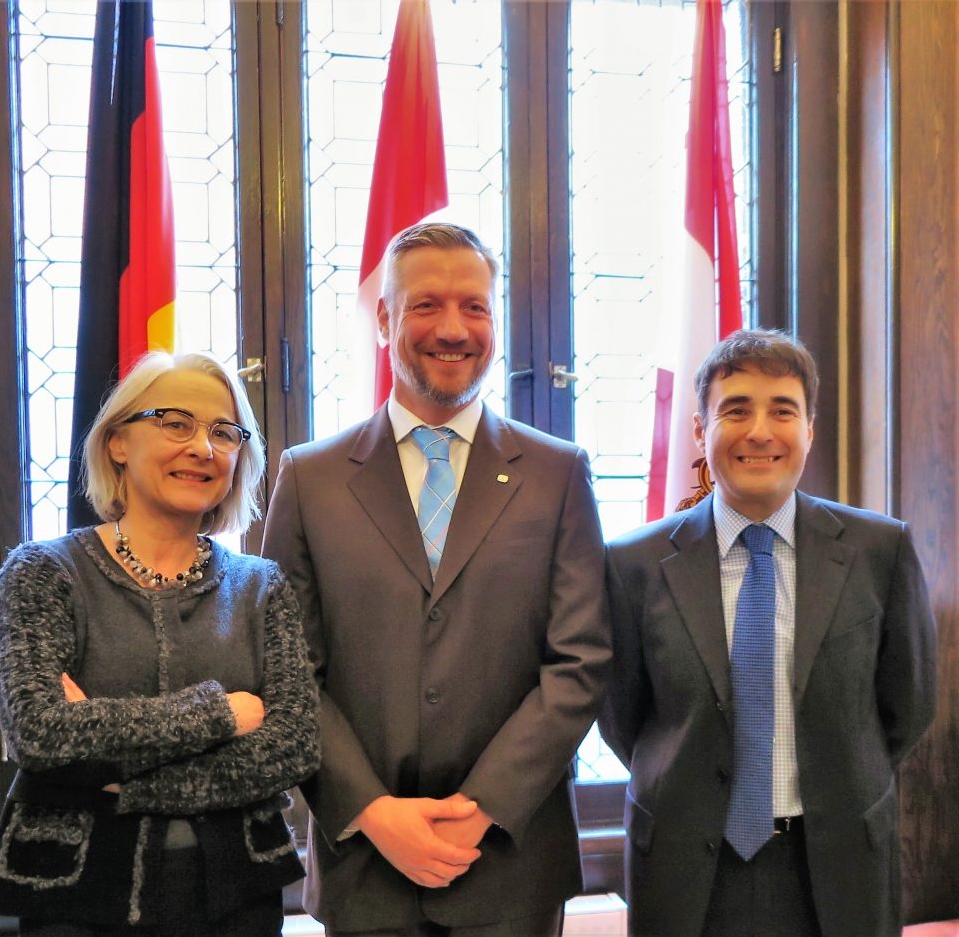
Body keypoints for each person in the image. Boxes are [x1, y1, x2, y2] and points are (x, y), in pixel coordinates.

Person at [262, 221, 611, 936]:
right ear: (386, 318)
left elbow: (581, 663)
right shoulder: (310, 479)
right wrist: (371, 812)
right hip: (366, 866)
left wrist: (480, 809)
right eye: (426, 305)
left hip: (512, 865)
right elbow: (288, 673)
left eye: (475, 306)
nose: (453, 328)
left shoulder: (559, 474)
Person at [600, 329, 937, 937]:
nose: (759, 431)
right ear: (701, 431)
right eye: (735, 410)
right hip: (685, 868)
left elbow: (905, 708)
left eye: (783, 410)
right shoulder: (632, 564)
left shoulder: (879, 550)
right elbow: (626, 718)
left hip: (837, 862)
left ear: (810, 428)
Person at [0, 351, 320, 937]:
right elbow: (41, 733)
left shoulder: (261, 585)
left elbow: (292, 746)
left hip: (239, 897)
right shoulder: (41, 573)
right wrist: (223, 713)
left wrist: (122, 773)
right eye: (175, 422)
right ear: (117, 442)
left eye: (223, 431)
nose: (202, 448)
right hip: (75, 899)